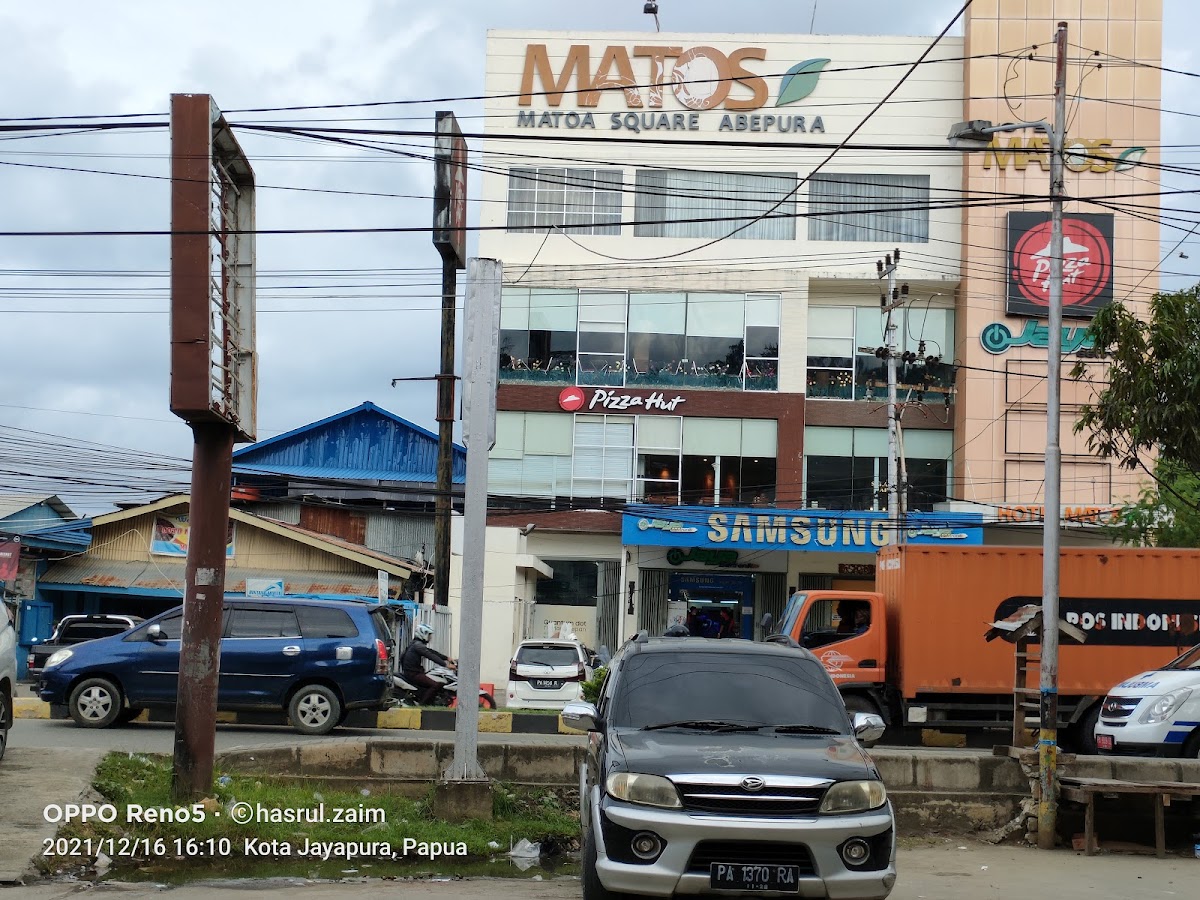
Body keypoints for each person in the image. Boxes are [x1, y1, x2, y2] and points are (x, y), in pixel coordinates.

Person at [401, 623, 456, 705]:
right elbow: (430, 656)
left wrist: (446, 658)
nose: (430, 637)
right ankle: (422, 704)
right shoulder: (418, 646)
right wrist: (446, 665)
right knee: (435, 685)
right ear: (423, 633)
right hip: (413, 674)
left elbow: (431, 652)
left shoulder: (416, 644)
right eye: (429, 635)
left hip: (413, 672)